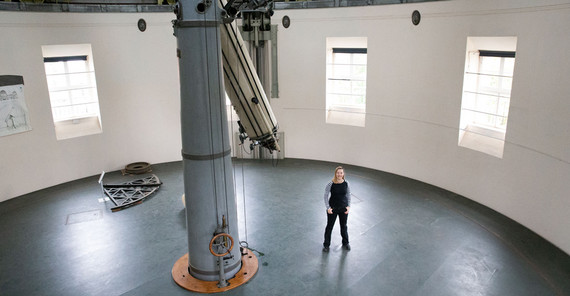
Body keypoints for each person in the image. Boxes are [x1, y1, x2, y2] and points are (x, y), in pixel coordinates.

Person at [322, 166, 351, 252]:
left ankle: (345, 243)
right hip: (333, 209)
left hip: (343, 208)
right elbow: (325, 196)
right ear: (335, 174)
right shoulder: (330, 184)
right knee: (329, 227)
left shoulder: (346, 183)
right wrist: (328, 208)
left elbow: (349, 195)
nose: (339, 174)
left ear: (343, 174)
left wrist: (348, 206)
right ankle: (326, 245)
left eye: (341, 173)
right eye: (338, 173)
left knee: (344, 226)